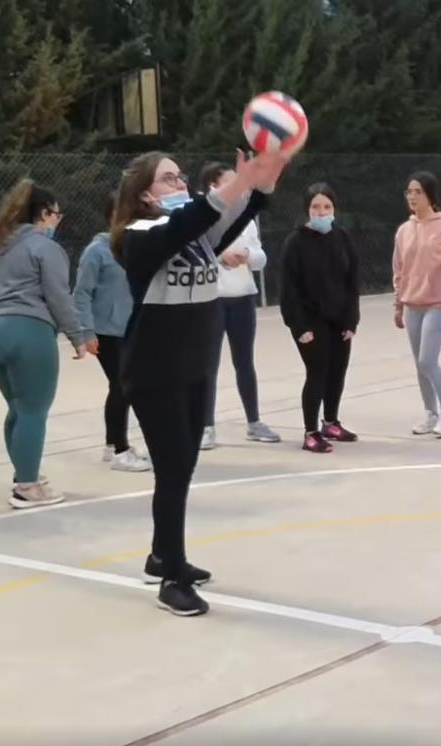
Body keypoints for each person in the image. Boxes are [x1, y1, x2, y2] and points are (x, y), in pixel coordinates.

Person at [112, 149, 287, 616]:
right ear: (145, 193)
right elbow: (190, 221)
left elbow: (238, 215)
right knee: (172, 470)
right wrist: (233, 184)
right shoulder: (140, 236)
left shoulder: (196, 239)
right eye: (169, 179)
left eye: (181, 176)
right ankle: (172, 579)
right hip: (154, 372)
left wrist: (261, 183)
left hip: (192, 368)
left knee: (183, 466)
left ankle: (162, 554)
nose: (180, 183)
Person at [0, 180, 88, 508]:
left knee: (18, 408)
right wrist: (77, 335)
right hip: (26, 327)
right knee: (33, 410)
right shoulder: (44, 247)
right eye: (55, 215)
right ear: (43, 214)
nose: (57, 222)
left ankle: (25, 473)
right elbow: (58, 296)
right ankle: (27, 486)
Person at [198, 163, 281, 448]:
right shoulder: (202, 217)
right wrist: (219, 255)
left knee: (244, 361)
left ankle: (254, 421)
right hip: (212, 299)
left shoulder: (246, 220)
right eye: (232, 182)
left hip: (243, 298)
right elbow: (194, 252)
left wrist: (246, 254)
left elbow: (261, 258)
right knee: (208, 364)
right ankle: (206, 426)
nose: (240, 187)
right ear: (213, 186)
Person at [280, 183, 361, 453]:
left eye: (326, 207)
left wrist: (351, 321)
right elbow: (288, 289)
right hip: (309, 319)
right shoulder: (295, 242)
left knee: (337, 371)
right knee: (317, 372)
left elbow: (352, 281)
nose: (321, 211)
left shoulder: (342, 237)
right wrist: (299, 326)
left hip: (338, 317)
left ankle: (331, 422)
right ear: (307, 209)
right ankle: (311, 432)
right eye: (316, 207)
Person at [72, 192, 150, 473]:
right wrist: (86, 331)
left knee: (123, 386)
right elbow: (81, 293)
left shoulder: (133, 247)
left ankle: (111, 444)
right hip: (106, 331)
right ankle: (120, 450)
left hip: (132, 328)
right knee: (122, 386)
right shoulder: (97, 251)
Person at [393, 171, 441, 438]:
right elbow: (399, 270)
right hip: (412, 304)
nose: (412, 197)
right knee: (419, 363)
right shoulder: (404, 231)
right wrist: (398, 304)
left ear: (430, 196)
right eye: (409, 192)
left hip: (438, 303)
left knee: (428, 360)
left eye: (417, 192)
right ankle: (430, 412)